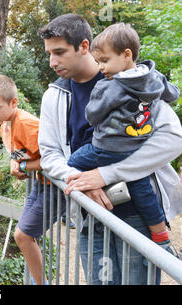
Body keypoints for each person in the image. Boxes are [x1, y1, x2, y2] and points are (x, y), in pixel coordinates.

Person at [38, 14, 182, 285]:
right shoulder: (53, 96)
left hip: (135, 213)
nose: (52, 62)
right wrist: (81, 181)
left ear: (84, 46)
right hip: (90, 216)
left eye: (59, 52)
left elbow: (173, 139)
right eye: (49, 53)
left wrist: (107, 174)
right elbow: (49, 155)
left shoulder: (136, 83)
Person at [67, 23, 180, 255]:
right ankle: (161, 236)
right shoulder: (153, 77)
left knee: (72, 164)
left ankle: (72, 210)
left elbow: (93, 114)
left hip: (105, 149)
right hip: (135, 146)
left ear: (126, 54)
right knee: (140, 185)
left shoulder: (110, 86)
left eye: (104, 61)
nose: (100, 68)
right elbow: (172, 94)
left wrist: (99, 95)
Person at [0, 75, 65, 285]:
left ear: (14, 102)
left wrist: (25, 167)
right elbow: (17, 154)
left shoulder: (27, 124)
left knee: (23, 236)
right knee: (24, 235)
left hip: (55, 187)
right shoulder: (5, 124)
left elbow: (54, 159)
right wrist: (14, 164)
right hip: (40, 183)